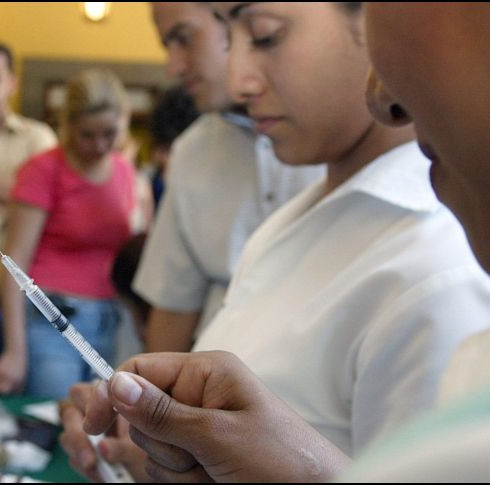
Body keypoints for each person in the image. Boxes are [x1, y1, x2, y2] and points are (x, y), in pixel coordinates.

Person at [63, 1, 490, 480]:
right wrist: (153, 445)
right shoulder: (299, 219)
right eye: (228, 38)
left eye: (265, 36)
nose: (238, 78)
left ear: (368, 25)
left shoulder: (438, 265)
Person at [135, 3, 322, 356]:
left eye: (185, 39)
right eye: (166, 46)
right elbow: (175, 302)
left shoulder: (336, 137)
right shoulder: (192, 151)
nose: (173, 66)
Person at [0, 68, 135, 399]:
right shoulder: (44, 170)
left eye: (109, 134)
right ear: (67, 125)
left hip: (110, 319)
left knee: (102, 427)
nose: (99, 145)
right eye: (87, 135)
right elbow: (14, 264)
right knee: (59, 419)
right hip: (52, 320)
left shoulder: (124, 170)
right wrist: (15, 349)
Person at [0, 42, 57, 386]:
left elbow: (46, 205)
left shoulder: (38, 137)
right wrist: (17, 196)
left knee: (8, 381)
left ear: (12, 82)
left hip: (16, 284)